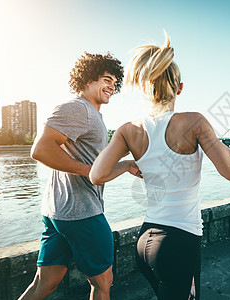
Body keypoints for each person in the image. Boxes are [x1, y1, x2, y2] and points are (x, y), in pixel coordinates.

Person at [89, 33, 230, 300]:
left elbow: (96, 174)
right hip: (179, 242)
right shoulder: (195, 122)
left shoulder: (129, 130)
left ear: (145, 87)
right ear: (179, 88)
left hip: (145, 240)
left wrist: (126, 165)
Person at [19, 52, 139, 300]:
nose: (111, 86)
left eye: (114, 83)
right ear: (87, 80)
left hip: (57, 213)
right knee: (103, 283)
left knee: (45, 283)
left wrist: (126, 165)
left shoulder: (93, 115)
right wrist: (87, 170)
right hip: (82, 214)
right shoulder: (78, 108)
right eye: (106, 79)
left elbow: (98, 172)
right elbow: (40, 150)